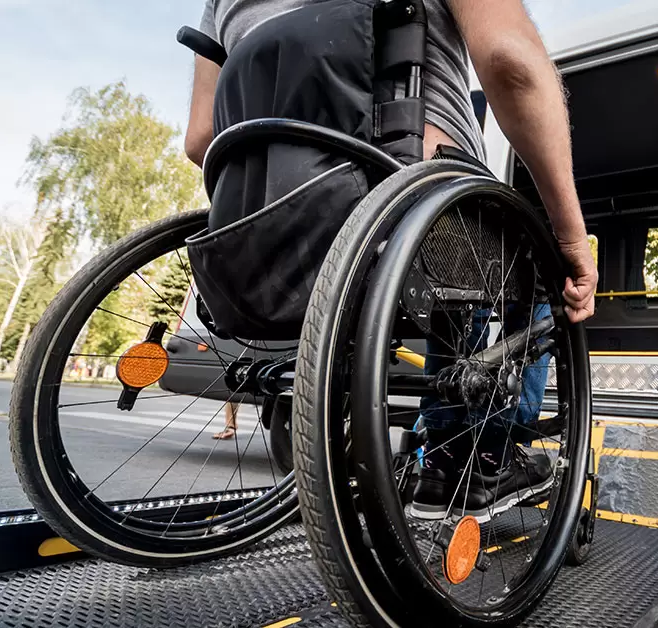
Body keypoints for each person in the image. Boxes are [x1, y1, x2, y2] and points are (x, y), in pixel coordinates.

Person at [184, 0, 598, 518]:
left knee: (454, 262)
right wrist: (571, 237)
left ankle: (444, 440)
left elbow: (202, 138)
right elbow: (510, 61)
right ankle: (484, 454)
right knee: (539, 276)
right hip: (410, 192)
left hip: (278, 221)